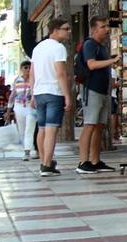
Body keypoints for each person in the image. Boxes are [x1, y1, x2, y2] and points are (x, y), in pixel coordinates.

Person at [30, 17, 72, 177]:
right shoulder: (58, 48)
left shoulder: (38, 48)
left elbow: (32, 73)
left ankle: (44, 162)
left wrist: (33, 94)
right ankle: (47, 165)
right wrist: (67, 95)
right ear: (55, 30)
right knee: (51, 129)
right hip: (54, 92)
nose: (69, 32)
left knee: (42, 129)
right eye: (66, 29)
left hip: (40, 92)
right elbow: (61, 73)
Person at [76, 16, 116, 174]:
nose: (106, 29)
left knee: (99, 126)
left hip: (103, 89)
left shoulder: (102, 47)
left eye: (107, 26)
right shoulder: (89, 44)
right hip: (91, 89)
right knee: (90, 124)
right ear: (94, 29)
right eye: (102, 27)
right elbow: (91, 64)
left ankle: (95, 160)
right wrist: (112, 61)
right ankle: (83, 161)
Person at [12, 61, 37, 161]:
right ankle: (26, 149)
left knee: (29, 130)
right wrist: (9, 110)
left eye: (29, 68)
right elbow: (13, 94)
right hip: (19, 107)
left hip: (31, 107)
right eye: (25, 67)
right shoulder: (17, 80)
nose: (27, 69)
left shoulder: (34, 79)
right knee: (22, 131)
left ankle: (27, 152)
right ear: (21, 69)